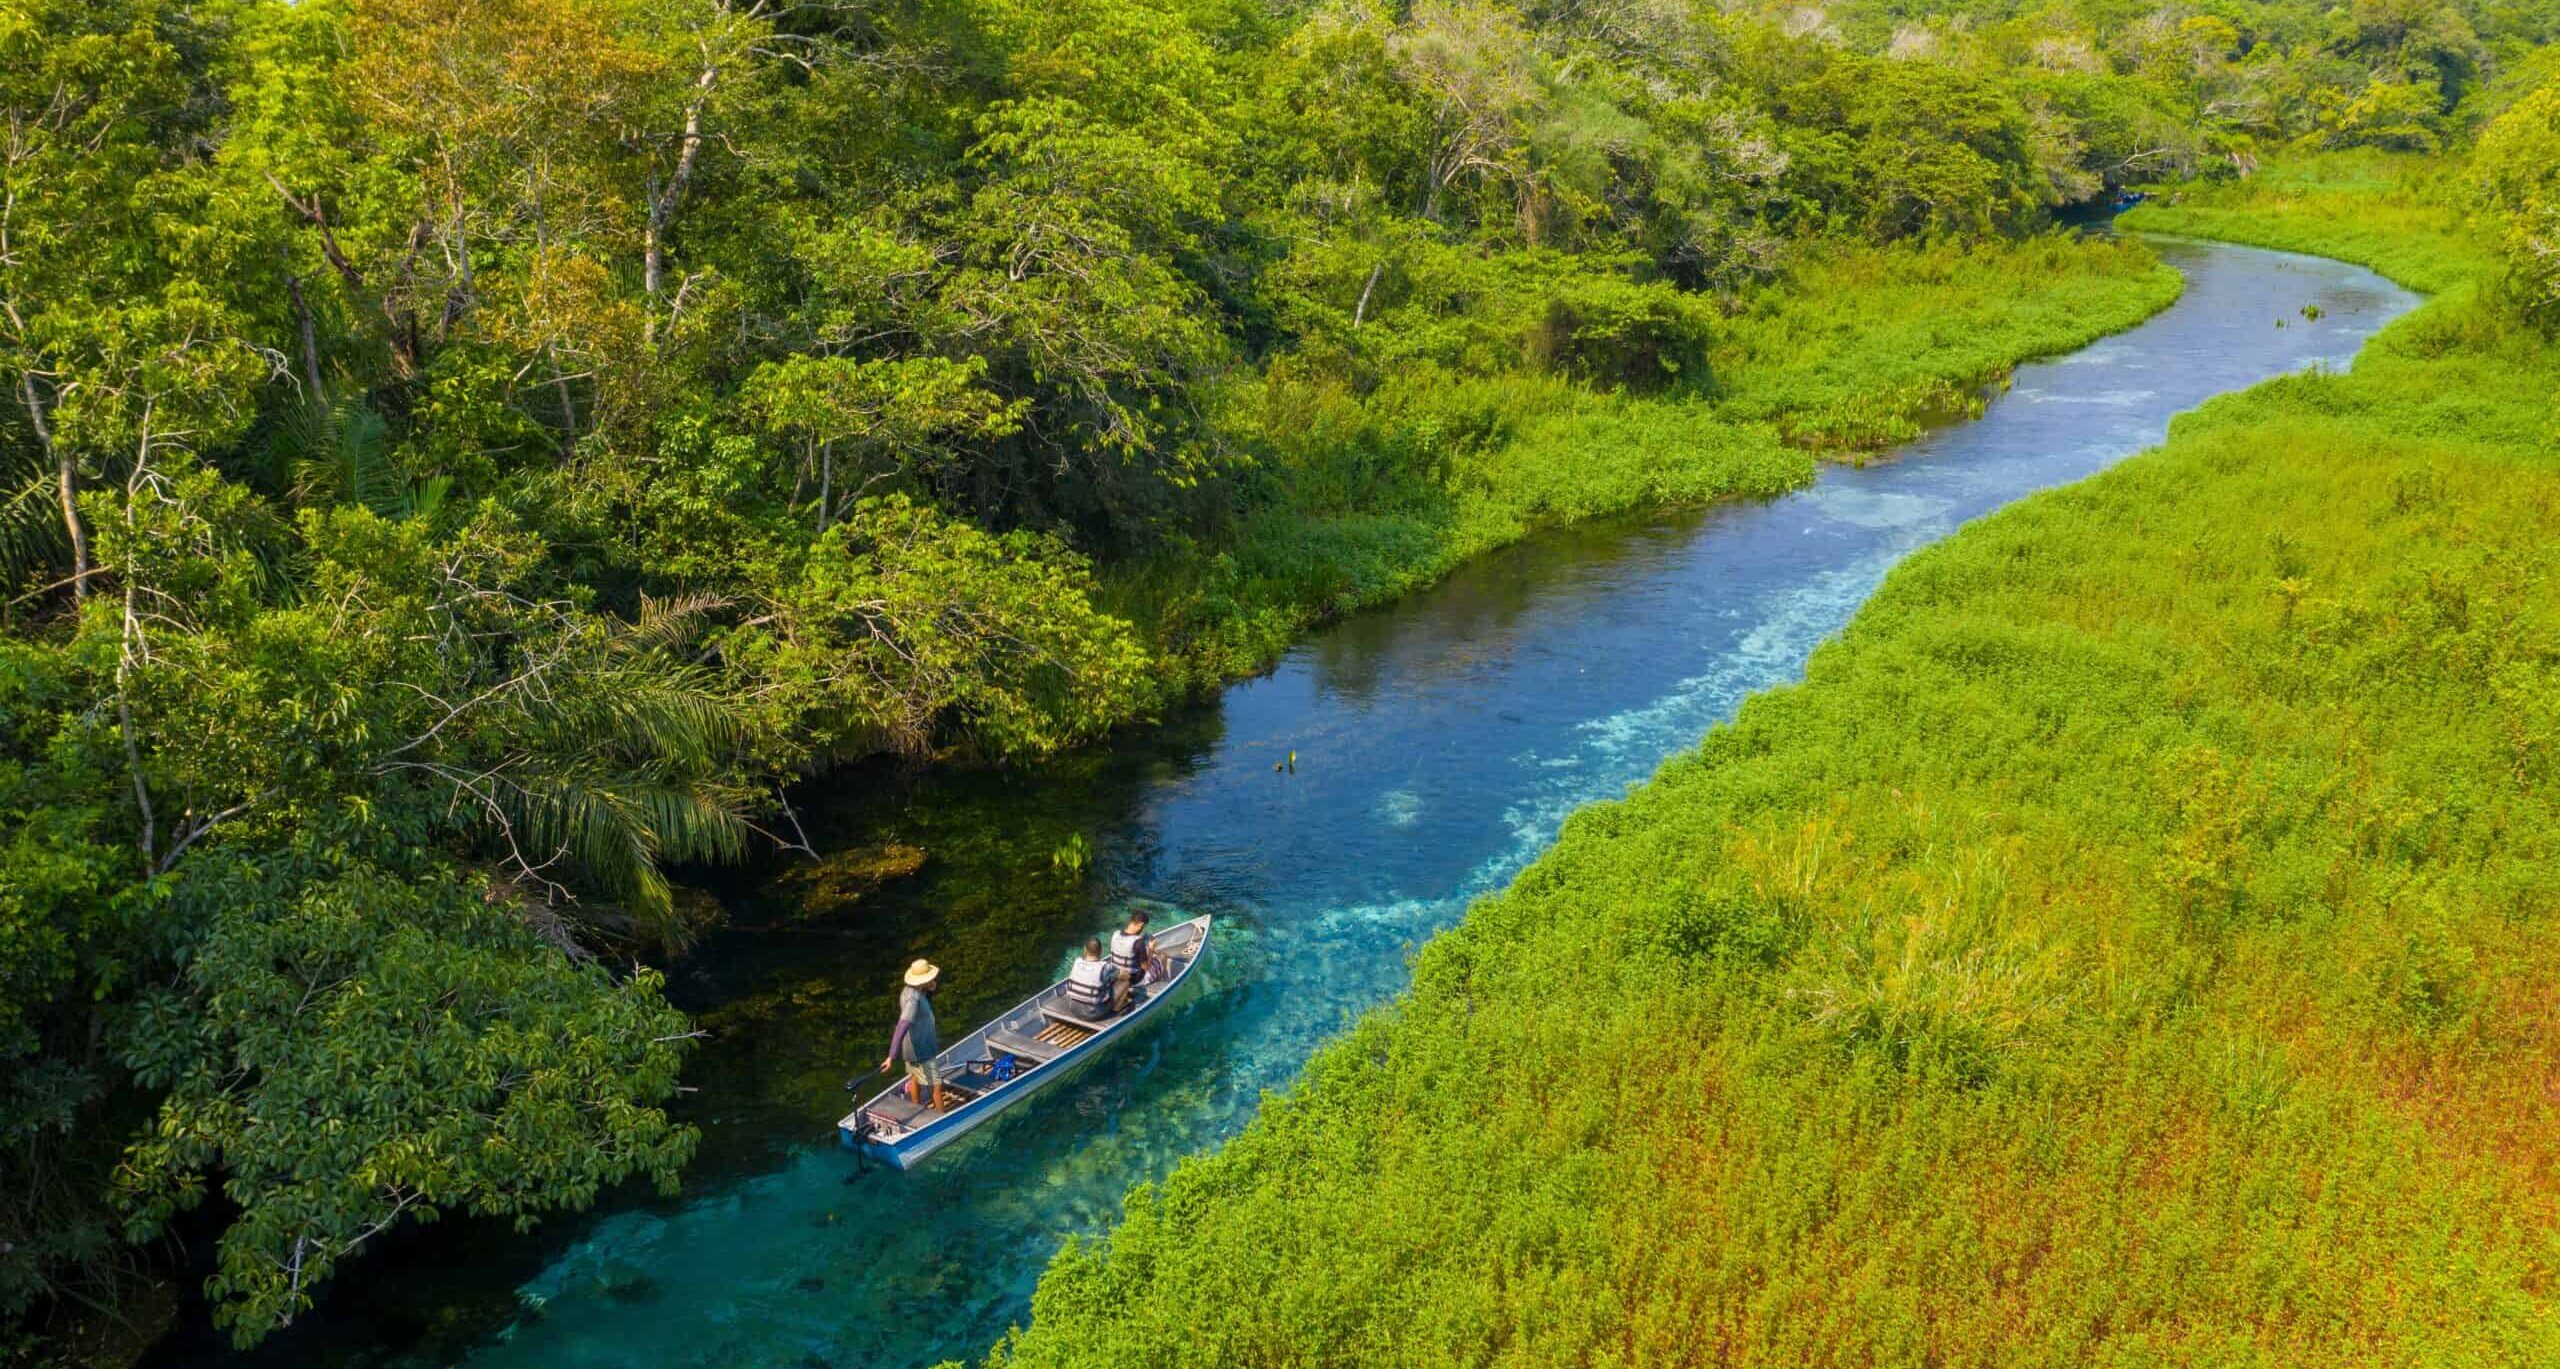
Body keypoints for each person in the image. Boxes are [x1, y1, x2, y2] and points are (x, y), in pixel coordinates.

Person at [878, 959, 943, 1111]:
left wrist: (930, 989)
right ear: (923, 981)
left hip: (910, 1049)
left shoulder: (909, 991)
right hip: (922, 1050)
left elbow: (921, 1000)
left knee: (913, 1077)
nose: (933, 980)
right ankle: (942, 1118)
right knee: (937, 1087)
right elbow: (903, 1025)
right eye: (930, 979)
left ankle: (916, 1107)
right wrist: (891, 1056)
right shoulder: (913, 1000)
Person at [1108, 911, 1154, 1012]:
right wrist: (1151, 949)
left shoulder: (1115, 934)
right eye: (1143, 926)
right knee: (1161, 959)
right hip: (1134, 979)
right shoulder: (1138, 942)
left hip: (1115, 974)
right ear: (1141, 925)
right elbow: (1146, 967)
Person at [1063, 938, 1118, 1021]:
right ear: (1101, 951)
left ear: (1085, 949)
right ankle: (1117, 1009)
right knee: (1122, 978)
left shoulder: (1077, 962)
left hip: (1073, 1009)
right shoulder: (1105, 967)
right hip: (1094, 1014)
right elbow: (1118, 971)